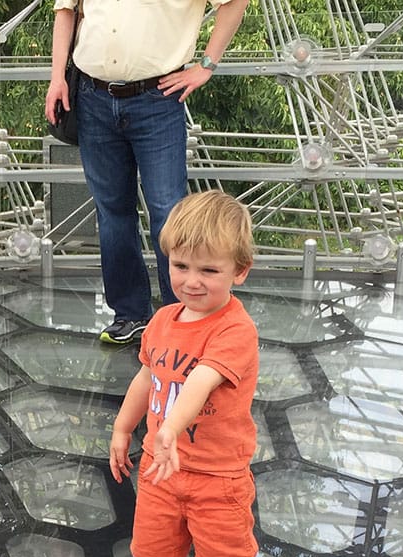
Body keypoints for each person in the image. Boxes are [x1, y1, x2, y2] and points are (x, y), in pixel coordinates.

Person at [108, 190, 265, 557]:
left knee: (231, 556)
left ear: (239, 271)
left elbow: (201, 380)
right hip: (161, 467)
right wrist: (123, 429)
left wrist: (170, 428)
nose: (191, 282)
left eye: (209, 271)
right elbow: (147, 376)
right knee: (162, 547)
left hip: (217, 474)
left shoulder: (234, 331)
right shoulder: (161, 320)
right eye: (180, 266)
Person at [44, 0, 250, 345]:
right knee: (111, 211)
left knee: (168, 210)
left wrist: (206, 65)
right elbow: (65, 11)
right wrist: (56, 78)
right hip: (92, 95)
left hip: (157, 98)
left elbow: (236, 3)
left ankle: (182, 316)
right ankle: (130, 314)